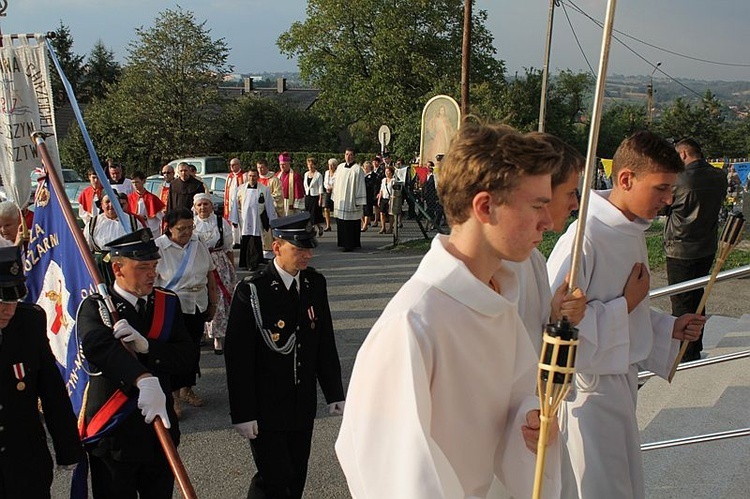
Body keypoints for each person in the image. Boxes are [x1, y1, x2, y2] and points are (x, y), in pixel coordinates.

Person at [336, 122, 563, 498]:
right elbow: (391, 472)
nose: (549, 221)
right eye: (538, 205)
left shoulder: (497, 300)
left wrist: (534, 424)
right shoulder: (413, 322)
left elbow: (518, 401)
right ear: (485, 206)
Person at [546, 131, 707, 499]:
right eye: (661, 188)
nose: (668, 201)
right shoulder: (583, 238)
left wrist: (669, 327)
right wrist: (627, 305)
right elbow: (557, 324)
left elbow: (617, 307)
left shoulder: (630, 229)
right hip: (586, 395)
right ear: (625, 179)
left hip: (618, 387)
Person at [225, 212, 345, 499]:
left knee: (296, 474)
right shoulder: (253, 290)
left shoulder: (314, 284)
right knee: (274, 478)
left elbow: (323, 342)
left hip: (301, 403)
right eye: (299, 248)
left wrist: (334, 393)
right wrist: (243, 412)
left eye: (309, 247)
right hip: (267, 406)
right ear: (277, 248)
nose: (308, 255)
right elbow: (238, 357)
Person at [77, 228, 196, 499]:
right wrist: (142, 377)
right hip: (114, 433)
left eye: (154, 266)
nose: (152, 273)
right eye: (143, 267)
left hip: (158, 432)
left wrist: (148, 347)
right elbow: (98, 348)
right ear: (118, 269)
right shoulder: (97, 307)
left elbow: (186, 357)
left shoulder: (167, 303)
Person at [0, 246, 83, 497]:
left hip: (25, 460)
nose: (9, 311)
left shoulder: (29, 322)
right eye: (2, 302)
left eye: (13, 301)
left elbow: (52, 392)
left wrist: (68, 447)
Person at [664, 138, 727, 362]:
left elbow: (664, 205)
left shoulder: (679, 179)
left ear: (683, 155)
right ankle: (695, 344)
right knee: (698, 296)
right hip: (706, 245)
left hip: (680, 247)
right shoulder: (719, 176)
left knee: (681, 301)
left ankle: (684, 352)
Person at [155, 209, 218, 417]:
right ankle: (172, 397)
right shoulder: (159, 247)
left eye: (190, 227)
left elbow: (210, 273)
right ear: (169, 227)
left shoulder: (197, 243)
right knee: (173, 353)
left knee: (192, 349)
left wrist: (213, 302)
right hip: (172, 307)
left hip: (197, 303)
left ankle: (187, 388)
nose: (187, 232)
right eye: (182, 229)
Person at [193, 193, 235, 355]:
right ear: (195, 207)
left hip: (218, 263)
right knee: (200, 296)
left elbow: (228, 248)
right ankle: (202, 332)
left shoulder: (220, 222)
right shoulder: (193, 224)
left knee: (218, 298)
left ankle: (218, 335)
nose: (203, 207)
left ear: (211, 206)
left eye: (206, 204)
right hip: (198, 262)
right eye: (199, 205)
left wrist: (231, 269)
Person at [84, 192, 144, 287]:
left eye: (114, 201)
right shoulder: (93, 224)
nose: (111, 205)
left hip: (125, 265)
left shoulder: (132, 222)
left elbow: (142, 245)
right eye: (107, 202)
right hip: (101, 267)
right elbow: (86, 249)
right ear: (102, 205)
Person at [235, 170, 277, 271]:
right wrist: (234, 219)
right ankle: (245, 262)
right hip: (244, 219)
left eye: (254, 176)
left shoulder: (264, 189)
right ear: (247, 177)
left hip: (257, 219)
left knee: (255, 240)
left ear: (257, 177)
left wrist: (272, 219)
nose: (252, 178)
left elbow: (269, 205)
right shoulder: (241, 189)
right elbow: (235, 205)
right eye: (250, 176)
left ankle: (254, 262)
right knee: (245, 239)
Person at [333, 148, 367, 251]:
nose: (348, 156)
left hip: (351, 201)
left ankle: (351, 244)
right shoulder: (340, 167)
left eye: (351, 154)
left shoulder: (358, 169)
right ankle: (342, 243)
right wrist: (334, 197)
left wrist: (359, 201)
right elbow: (335, 183)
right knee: (342, 223)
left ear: (354, 156)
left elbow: (361, 185)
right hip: (341, 200)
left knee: (351, 223)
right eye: (347, 154)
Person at [257, 158, 284, 259]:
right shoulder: (256, 179)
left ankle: (270, 250)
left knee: (269, 230)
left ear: (267, 167)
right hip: (258, 211)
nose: (260, 170)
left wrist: (266, 199)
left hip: (269, 210)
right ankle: (262, 250)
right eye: (258, 168)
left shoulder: (274, 179)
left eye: (262, 168)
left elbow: (278, 194)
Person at [128, 171, 165, 238]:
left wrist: (146, 217)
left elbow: (161, 217)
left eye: (137, 182)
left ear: (143, 181)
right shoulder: (130, 198)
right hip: (136, 230)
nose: (135, 185)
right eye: (133, 183)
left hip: (152, 230)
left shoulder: (152, 198)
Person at [225, 157, 246, 248]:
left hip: (241, 204)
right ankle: (235, 241)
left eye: (234, 165)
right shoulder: (229, 177)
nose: (232, 167)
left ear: (239, 165)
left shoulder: (244, 176)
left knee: (242, 221)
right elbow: (226, 191)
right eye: (230, 165)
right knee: (233, 222)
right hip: (231, 203)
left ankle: (242, 239)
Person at [303, 157, 325, 236]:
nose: (310, 166)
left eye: (311, 165)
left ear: (315, 165)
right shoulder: (306, 174)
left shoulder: (318, 175)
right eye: (308, 165)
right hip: (308, 197)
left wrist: (320, 198)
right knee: (308, 215)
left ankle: (317, 228)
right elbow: (305, 185)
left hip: (315, 197)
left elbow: (320, 187)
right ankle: (312, 230)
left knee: (314, 215)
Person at [376, 165, 395, 234]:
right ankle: (383, 227)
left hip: (391, 199)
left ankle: (390, 227)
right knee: (382, 213)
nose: (387, 173)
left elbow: (394, 191)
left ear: (391, 172)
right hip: (384, 198)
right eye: (386, 171)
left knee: (390, 214)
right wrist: (379, 199)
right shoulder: (383, 180)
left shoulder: (394, 180)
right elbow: (381, 190)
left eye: (388, 171)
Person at [361, 161, 377, 231]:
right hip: (361, 194)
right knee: (361, 210)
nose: (366, 168)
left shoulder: (373, 175)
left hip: (369, 195)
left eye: (368, 167)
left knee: (367, 210)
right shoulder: (361, 175)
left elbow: (372, 185)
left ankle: (364, 226)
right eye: (365, 167)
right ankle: (365, 223)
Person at [322, 158, 337, 232]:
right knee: (326, 208)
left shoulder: (338, 173)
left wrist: (332, 188)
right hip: (328, 192)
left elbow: (338, 183)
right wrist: (327, 187)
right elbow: (325, 182)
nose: (331, 166)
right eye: (330, 165)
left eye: (333, 165)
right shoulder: (326, 172)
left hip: (335, 193)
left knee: (336, 209)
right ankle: (328, 225)